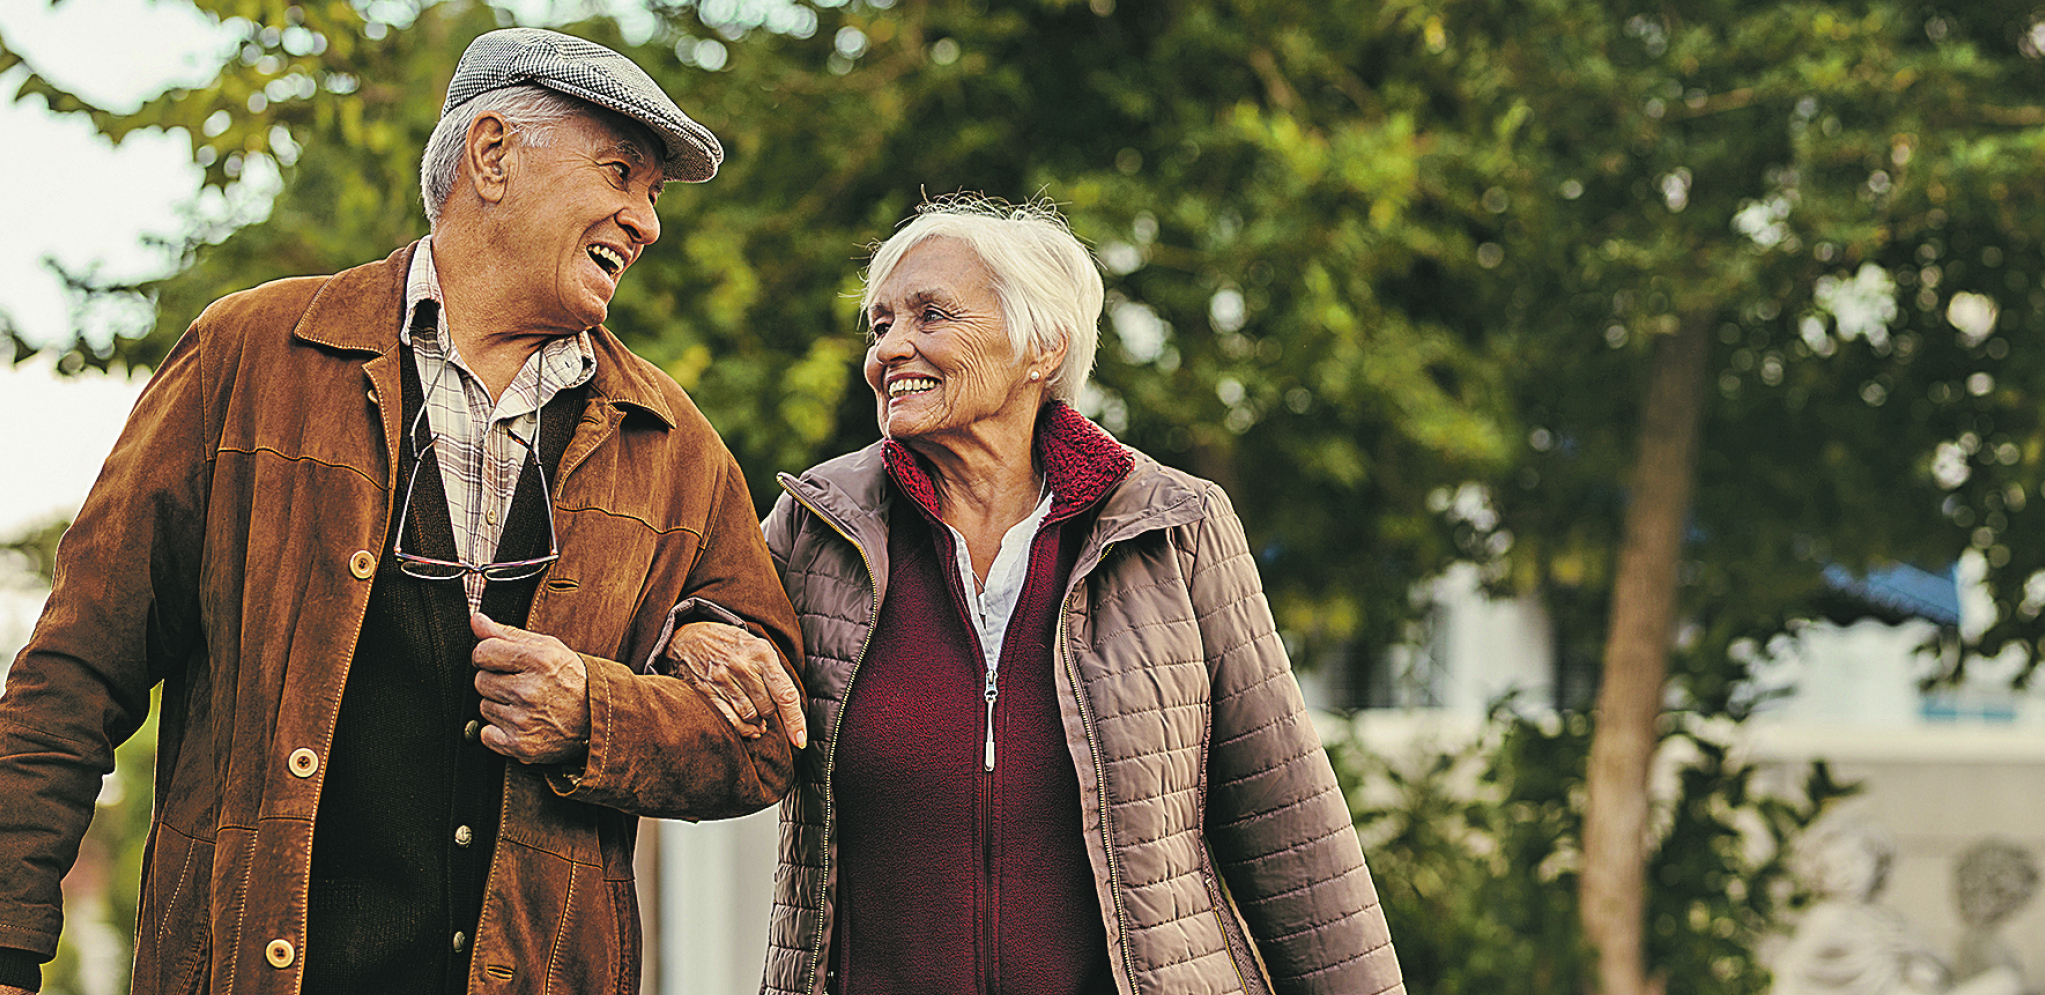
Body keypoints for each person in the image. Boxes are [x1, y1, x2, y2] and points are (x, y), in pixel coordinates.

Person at [0, 27, 806, 995]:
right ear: (494, 154)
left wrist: (598, 714)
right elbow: (75, 671)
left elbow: (765, 744)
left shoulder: (674, 447)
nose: (646, 222)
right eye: (621, 173)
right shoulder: (247, 357)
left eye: (653, 195)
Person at [753, 195, 1404, 995]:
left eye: (930, 315)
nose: (891, 348)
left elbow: (1287, 824)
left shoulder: (1173, 527)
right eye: (880, 324)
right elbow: (688, 674)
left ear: (1042, 346)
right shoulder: (815, 527)